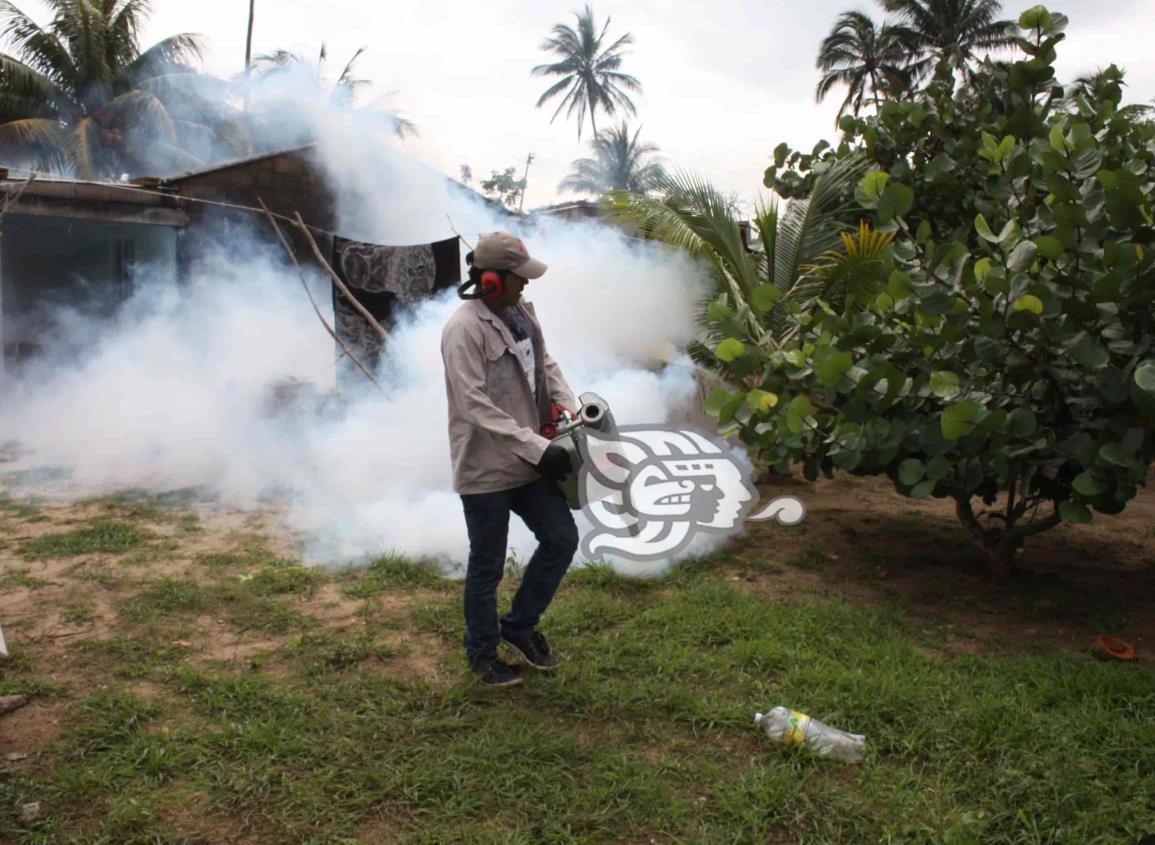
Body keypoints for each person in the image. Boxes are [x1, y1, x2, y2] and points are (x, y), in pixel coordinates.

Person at [440, 231, 580, 687]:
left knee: (561, 538)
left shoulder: (519, 314)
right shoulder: (463, 330)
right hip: (486, 465)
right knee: (487, 564)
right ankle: (481, 654)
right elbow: (473, 405)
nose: (525, 285)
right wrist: (539, 449)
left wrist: (568, 405)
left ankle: (519, 626)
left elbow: (546, 364)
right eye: (518, 278)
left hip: (528, 460)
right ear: (492, 282)